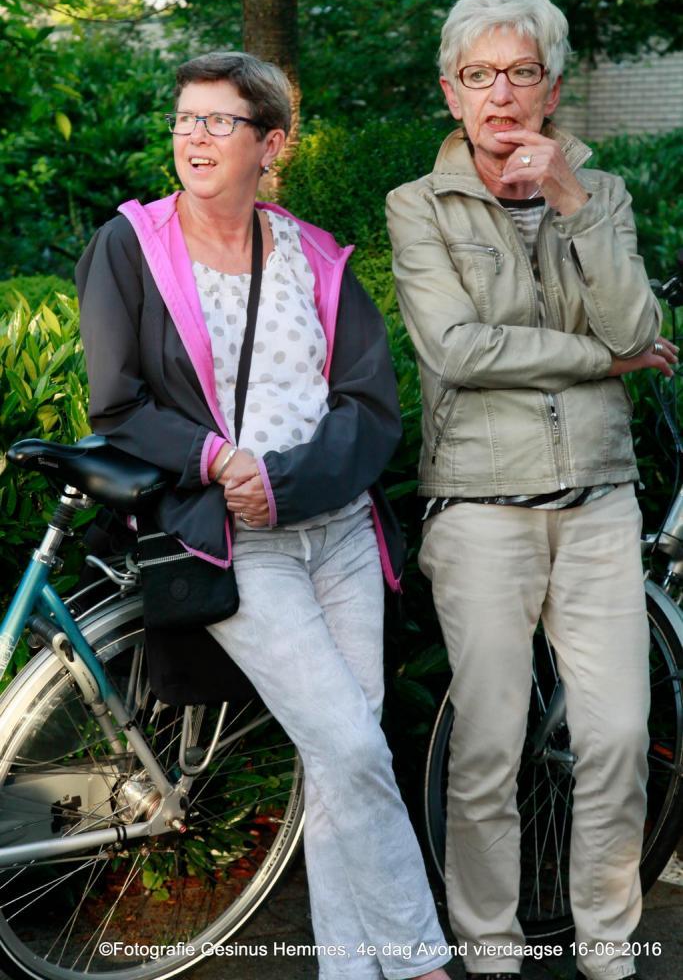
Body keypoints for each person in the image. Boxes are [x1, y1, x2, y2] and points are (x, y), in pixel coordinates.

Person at [76, 50, 451, 980]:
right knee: (351, 746)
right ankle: (419, 964)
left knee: (340, 761)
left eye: (219, 121)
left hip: (341, 534)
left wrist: (286, 481)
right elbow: (116, 402)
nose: (194, 138)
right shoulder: (129, 246)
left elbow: (369, 405)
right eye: (184, 119)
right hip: (237, 545)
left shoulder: (313, 254)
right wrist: (217, 459)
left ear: (271, 144)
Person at [386, 0, 676, 980]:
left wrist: (570, 203)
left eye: (519, 73)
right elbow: (457, 350)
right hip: (478, 506)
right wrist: (600, 362)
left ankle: (606, 947)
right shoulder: (417, 206)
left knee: (618, 736)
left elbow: (637, 327)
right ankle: (490, 951)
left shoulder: (600, 194)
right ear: (449, 92)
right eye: (478, 76)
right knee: (487, 747)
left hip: (597, 500)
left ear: (550, 89)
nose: (499, 94)